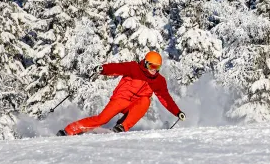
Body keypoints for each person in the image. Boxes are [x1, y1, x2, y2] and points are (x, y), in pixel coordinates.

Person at [58, 51, 186, 135]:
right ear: (146, 64)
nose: (154, 70)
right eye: (152, 66)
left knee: (146, 100)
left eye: (157, 67)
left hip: (135, 104)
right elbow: (117, 68)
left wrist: (177, 112)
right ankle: (69, 130)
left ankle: (122, 126)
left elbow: (166, 98)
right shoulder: (134, 68)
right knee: (101, 119)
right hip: (121, 99)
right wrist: (103, 69)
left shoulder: (159, 81)